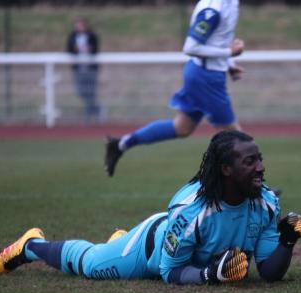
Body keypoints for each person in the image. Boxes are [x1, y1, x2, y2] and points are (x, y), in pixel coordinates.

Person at [0, 131, 301, 285]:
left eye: (260, 158)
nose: (260, 167)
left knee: (108, 254)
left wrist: (287, 240)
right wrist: (207, 275)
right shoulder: (191, 212)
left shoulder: (266, 202)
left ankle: (117, 242)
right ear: (226, 170)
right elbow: (169, 270)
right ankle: (31, 245)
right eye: (250, 161)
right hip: (152, 249)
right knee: (90, 265)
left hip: (174, 251)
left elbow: (270, 274)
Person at [104, 0, 246, 177]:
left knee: (182, 128)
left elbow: (217, 39)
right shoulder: (212, 9)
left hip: (206, 72)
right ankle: (257, 191)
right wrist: (228, 54)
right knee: (235, 137)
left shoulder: (230, 3)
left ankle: (121, 144)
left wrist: (229, 63)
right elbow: (191, 47)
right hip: (205, 77)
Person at [66, 17, 101, 124]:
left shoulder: (92, 36)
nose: (78, 27)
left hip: (90, 69)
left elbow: (96, 49)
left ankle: (89, 117)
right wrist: (75, 50)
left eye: (80, 25)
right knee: (80, 91)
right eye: (77, 25)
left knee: (91, 92)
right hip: (78, 69)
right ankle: (97, 109)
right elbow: (68, 49)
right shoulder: (72, 36)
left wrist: (89, 49)